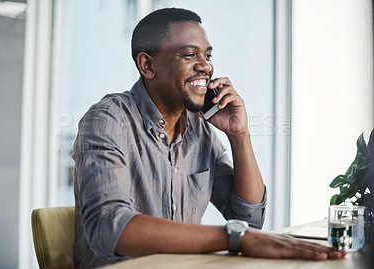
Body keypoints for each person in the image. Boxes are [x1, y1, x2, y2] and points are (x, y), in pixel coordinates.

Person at [72, 7, 346, 268]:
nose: (206, 67)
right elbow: (109, 228)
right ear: (148, 65)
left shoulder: (200, 130)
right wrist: (234, 237)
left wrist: (239, 135)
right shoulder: (107, 120)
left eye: (208, 56)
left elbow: (247, 219)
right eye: (190, 55)